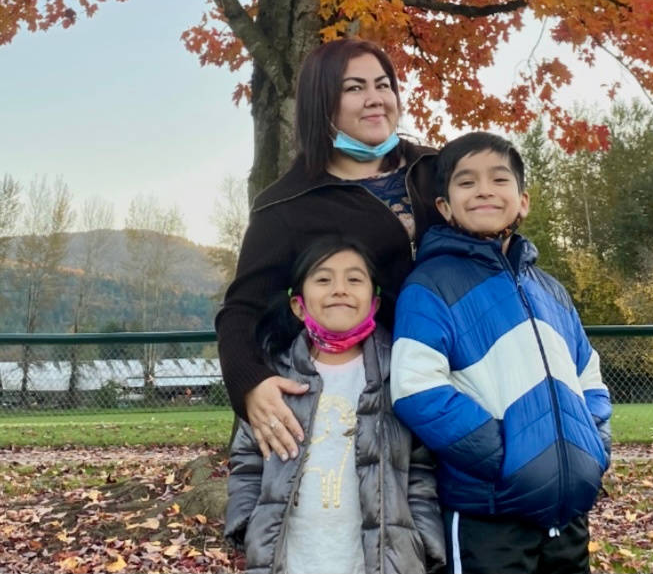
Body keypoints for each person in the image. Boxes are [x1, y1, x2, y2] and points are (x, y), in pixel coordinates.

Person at [390, 131, 611, 574]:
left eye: (498, 179)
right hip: (487, 516)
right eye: (467, 182)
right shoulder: (430, 286)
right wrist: (506, 457)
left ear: (523, 199)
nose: (485, 190)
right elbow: (416, 388)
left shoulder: (550, 290)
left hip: (566, 514)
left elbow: (588, 374)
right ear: (445, 207)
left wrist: (593, 449)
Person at [216, 37, 443, 462]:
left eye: (383, 85)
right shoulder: (286, 204)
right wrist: (251, 384)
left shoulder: (439, 171)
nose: (375, 99)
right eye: (354, 88)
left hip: (460, 381)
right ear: (322, 104)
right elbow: (241, 311)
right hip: (371, 405)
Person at [225, 235, 445, 574]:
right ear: (298, 304)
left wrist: (422, 542)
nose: (339, 289)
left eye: (354, 279)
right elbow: (247, 460)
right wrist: (246, 524)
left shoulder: (399, 374)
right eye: (323, 279)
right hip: (290, 560)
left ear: (374, 300)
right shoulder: (273, 378)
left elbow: (420, 468)